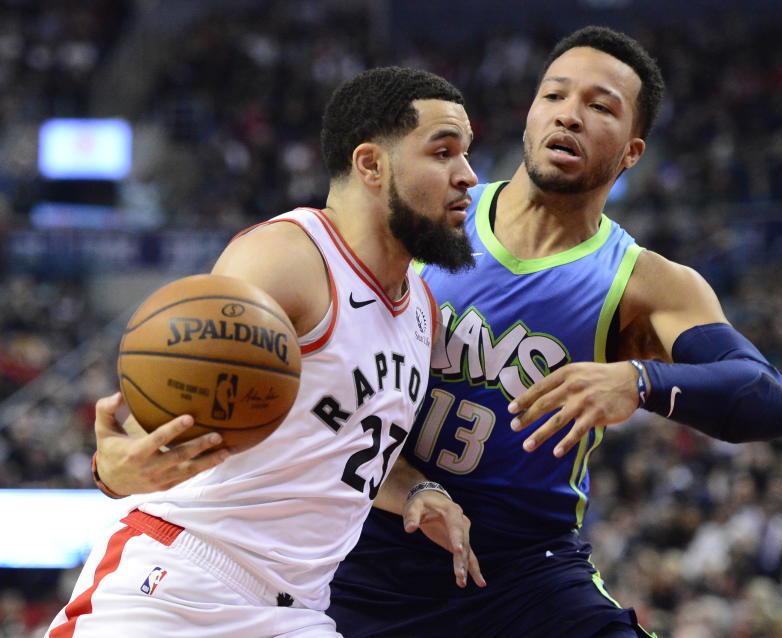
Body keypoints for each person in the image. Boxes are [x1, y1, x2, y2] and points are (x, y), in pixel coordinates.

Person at [326, 26, 782, 638]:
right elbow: (325, 386)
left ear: (631, 152)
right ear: (528, 115)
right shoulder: (423, 219)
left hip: (524, 574)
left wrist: (640, 381)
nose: (569, 116)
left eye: (599, 106)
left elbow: (769, 400)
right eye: (554, 96)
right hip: (366, 543)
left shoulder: (645, 283)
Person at [46, 66, 486, 638]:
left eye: (466, 154)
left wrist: (418, 491)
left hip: (295, 613)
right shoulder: (289, 257)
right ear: (371, 164)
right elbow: (176, 393)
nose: (468, 176)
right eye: (443, 152)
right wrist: (114, 466)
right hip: (176, 585)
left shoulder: (422, 310)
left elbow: (344, 446)